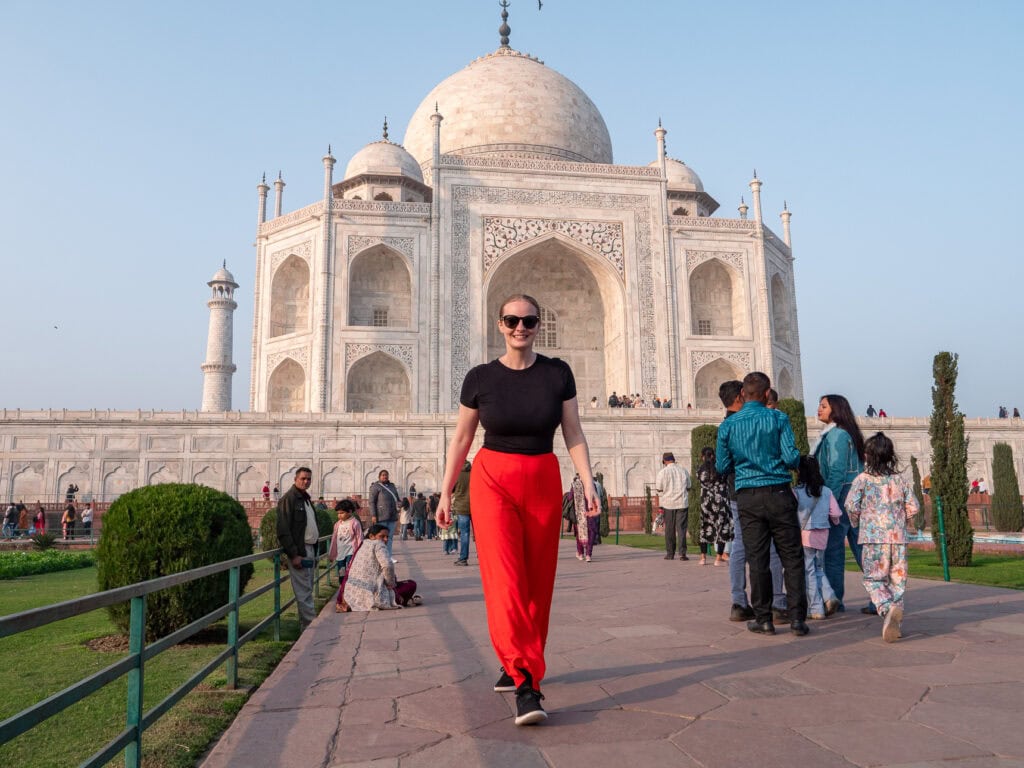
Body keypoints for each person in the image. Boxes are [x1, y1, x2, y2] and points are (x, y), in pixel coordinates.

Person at [435, 293, 599, 727]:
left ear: (538, 325)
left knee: (537, 580)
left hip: (543, 475)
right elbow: (461, 439)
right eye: (511, 320)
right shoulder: (480, 378)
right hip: (492, 479)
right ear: (500, 324)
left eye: (528, 321)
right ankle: (527, 683)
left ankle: (514, 661)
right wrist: (445, 491)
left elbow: (573, 432)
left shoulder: (557, 373)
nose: (519, 328)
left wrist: (587, 480)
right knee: (506, 579)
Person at [716, 371, 807, 637]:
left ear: (743, 394)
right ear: (767, 394)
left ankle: (763, 619)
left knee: (757, 559)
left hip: (748, 496)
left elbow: (722, 466)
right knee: (791, 557)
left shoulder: (728, 426)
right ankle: (798, 620)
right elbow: (791, 459)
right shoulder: (778, 417)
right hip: (779, 493)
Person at [718, 381, 787, 622]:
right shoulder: (755, 421)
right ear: (741, 395)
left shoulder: (726, 425)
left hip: (738, 492)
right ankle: (778, 603)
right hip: (764, 488)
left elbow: (722, 466)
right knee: (772, 546)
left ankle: (738, 602)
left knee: (739, 545)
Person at [846, 432, 918, 643]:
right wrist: (900, 519)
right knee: (897, 580)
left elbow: (851, 505)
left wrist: (857, 521)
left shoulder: (862, 480)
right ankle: (895, 623)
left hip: (874, 537)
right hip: (898, 538)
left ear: (867, 456)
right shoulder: (900, 480)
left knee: (873, 579)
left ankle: (888, 610)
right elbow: (913, 507)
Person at [814, 393, 866, 613]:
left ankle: (835, 597)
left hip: (842, 498)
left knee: (836, 551)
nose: (819, 409)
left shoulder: (837, 435)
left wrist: (829, 501)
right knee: (861, 548)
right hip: (850, 498)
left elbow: (837, 471)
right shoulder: (840, 434)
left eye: (823, 406)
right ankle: (882, 598)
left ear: (835, 410)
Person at [793, 456, 841, 620]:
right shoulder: (826, 491)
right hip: (823, 534)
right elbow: (835, 513)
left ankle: (816, 608)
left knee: (809, 571)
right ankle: (829, 596)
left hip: (805, 534)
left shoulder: (797, 492)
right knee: (818, 568)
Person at [276, 467, 320, 631]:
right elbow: (283, 529)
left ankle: (306, 628)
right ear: (295, 479)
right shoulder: (289, 499)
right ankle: (312, 627)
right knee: (303, 592)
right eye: (303, 478)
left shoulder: (305, 499)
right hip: (300, 551)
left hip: (309, 549)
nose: (306, 481)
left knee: (307, 589)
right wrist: (294, 554)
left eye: (309, 479)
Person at [343, 524, 418, 610]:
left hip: (353, 597)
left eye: (387, 537)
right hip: (375, 596)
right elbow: (387, 565)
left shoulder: (363, 544)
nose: (385, 540)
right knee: (411, 584)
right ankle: (401, 600)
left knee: (396, 582)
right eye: (382, 536)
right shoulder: (378, 544)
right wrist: (391, 584)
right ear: (371, 536)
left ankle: (403, 598)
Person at [697, 447, 733, 566]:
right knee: (722, 527)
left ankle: (703, 558)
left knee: (705, 527)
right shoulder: (720, 468)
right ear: (713, 455)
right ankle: (718, 558)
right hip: (720, 501)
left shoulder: (701, 469)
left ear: (703, 456)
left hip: (706, 502)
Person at [329, 499, 364, 612]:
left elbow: (359, 538)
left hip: (351, 553)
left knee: (350, 575)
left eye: (342, 513)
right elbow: (334, 540)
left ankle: (350, 596)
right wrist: (331, 555)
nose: (339, 515)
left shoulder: (354, 523)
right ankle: (343, 594)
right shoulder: (337, 525)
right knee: (342, 575)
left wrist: (360, 553)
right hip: (340, 555)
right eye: (338, 513)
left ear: (349, 511)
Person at [655, 451, 691, 560]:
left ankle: (670, 553)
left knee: (669, 529)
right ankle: (682, 554)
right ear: (674, 459)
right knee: (681, 529)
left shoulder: (662, 472)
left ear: (665, 461)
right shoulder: (683, 471)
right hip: (682, 503)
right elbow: (689, 486)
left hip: (668, 504)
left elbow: (659, 488)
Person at [369, 469, 400, 559]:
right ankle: (380, 556)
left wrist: (400, 504)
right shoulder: (375, 487)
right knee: (380, 538)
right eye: (382, 475)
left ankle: (388, 556)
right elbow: (371, 502)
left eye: (386, 475)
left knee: (389, 538)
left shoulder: (392, 486)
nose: (384, 476)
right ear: (379, 477)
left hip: (392, 515)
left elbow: (397, 498)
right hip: (380, 516)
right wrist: (374, 515)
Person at [572, 474, 601, 562]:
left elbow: (569, 498)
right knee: (591, 533)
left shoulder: (575, 486)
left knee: (579, 534)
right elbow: (598, 497)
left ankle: (580, 553)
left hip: (580, 515)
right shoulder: (593, 486)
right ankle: (588, 555)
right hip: (590, 513)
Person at [451, 460, 473, 565]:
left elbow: (451, 489)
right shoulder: (475, 473)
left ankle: (463, 558)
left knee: (464, 533)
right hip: (476, 506)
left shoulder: (456, 475)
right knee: (479, 534)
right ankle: (483, 557)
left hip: (462, 507)